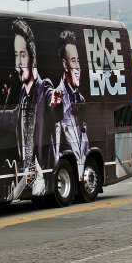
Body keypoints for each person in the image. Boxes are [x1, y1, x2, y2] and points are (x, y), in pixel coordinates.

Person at [0, 18, 62, 197]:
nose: (19, 63)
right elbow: (14, 117)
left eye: (23, 55)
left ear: (33, 59)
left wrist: (54, 103)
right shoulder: (23, 93)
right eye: (16, 55)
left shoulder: (43, 87)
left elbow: (52, 104)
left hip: (43, 172)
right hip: (28, 173)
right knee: (11, 196)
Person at [52, 29, 89, 172]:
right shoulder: (56, 101)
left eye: (78, 61)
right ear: (65, 64)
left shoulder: (81, 100)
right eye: (73, 61)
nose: (78, 68)